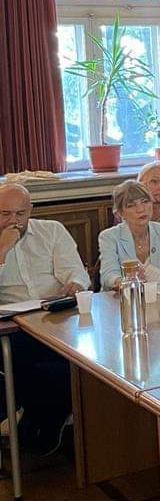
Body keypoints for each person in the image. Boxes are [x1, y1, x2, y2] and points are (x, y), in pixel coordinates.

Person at [0, 182, 89, 453]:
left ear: (31, 210)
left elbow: (75, 272)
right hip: (12, 326)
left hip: (57, 316)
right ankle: (42, 426)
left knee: (82, 360)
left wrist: (75, 284)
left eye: (20, 214)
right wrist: (2, 251)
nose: (13, 221)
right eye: (5, 214)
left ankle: (39, 424)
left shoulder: (51, 230)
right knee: (41, 365)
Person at [99, 181, 160, 289]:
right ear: (120, 213)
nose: (141, 209)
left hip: (159, 295)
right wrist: (124, 282)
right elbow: (108, 276)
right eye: (131, 205)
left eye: (145, 201)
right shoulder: (109, 237)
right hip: (122, 296)